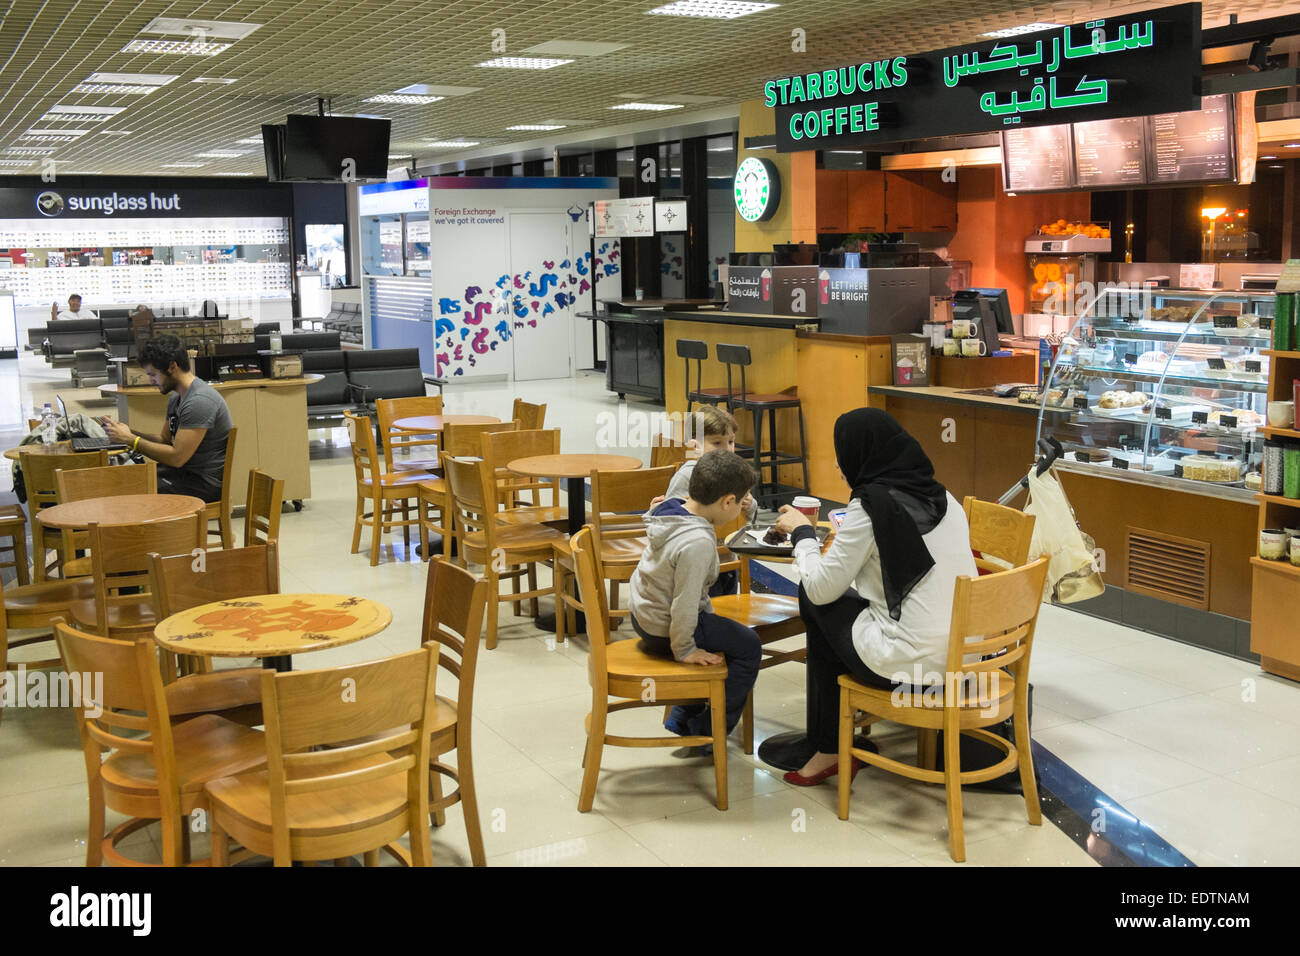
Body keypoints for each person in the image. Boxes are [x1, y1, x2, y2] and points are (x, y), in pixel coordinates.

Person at [773, 407, 976, 786]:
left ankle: (829, 746)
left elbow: (821, 588)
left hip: (911, 668)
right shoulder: (946, 498)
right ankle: (833, 740)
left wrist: (803, 535)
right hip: (968, 661)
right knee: (844, 602)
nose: (838, 465)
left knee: (814, 598)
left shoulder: (869, 507)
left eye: (841, 452)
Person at [629, 450, 762, 745]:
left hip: (642, 616)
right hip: (664, 626)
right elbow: (685, 604)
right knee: (749, 646)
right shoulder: (698, 542)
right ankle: (708, 729)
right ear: (727, 501)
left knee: (718, 629)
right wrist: (685, 649)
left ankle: (681, 714)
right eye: (740, 503)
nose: (740, 508)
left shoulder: (671, 508)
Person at [101, 334, 232, 503]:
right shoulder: (176, 397)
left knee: (128, 492)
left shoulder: (199, 401)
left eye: (153, 374)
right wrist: (126, 432)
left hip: (201, 484)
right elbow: (164, 440)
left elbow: (177, 457)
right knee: (122, 480)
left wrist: (131, 439)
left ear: (172, 367)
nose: (151, 380)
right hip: (181, 474)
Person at [654, 406, 757, 595]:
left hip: (727, 558)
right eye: (717, 443)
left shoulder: (734, 471)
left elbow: (749, 515)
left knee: (727, 610)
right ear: (694, 446)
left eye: (731, 442)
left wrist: (749, 505)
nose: (726, 450)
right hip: (695, 564)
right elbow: (671, 519)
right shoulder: (687, 476)